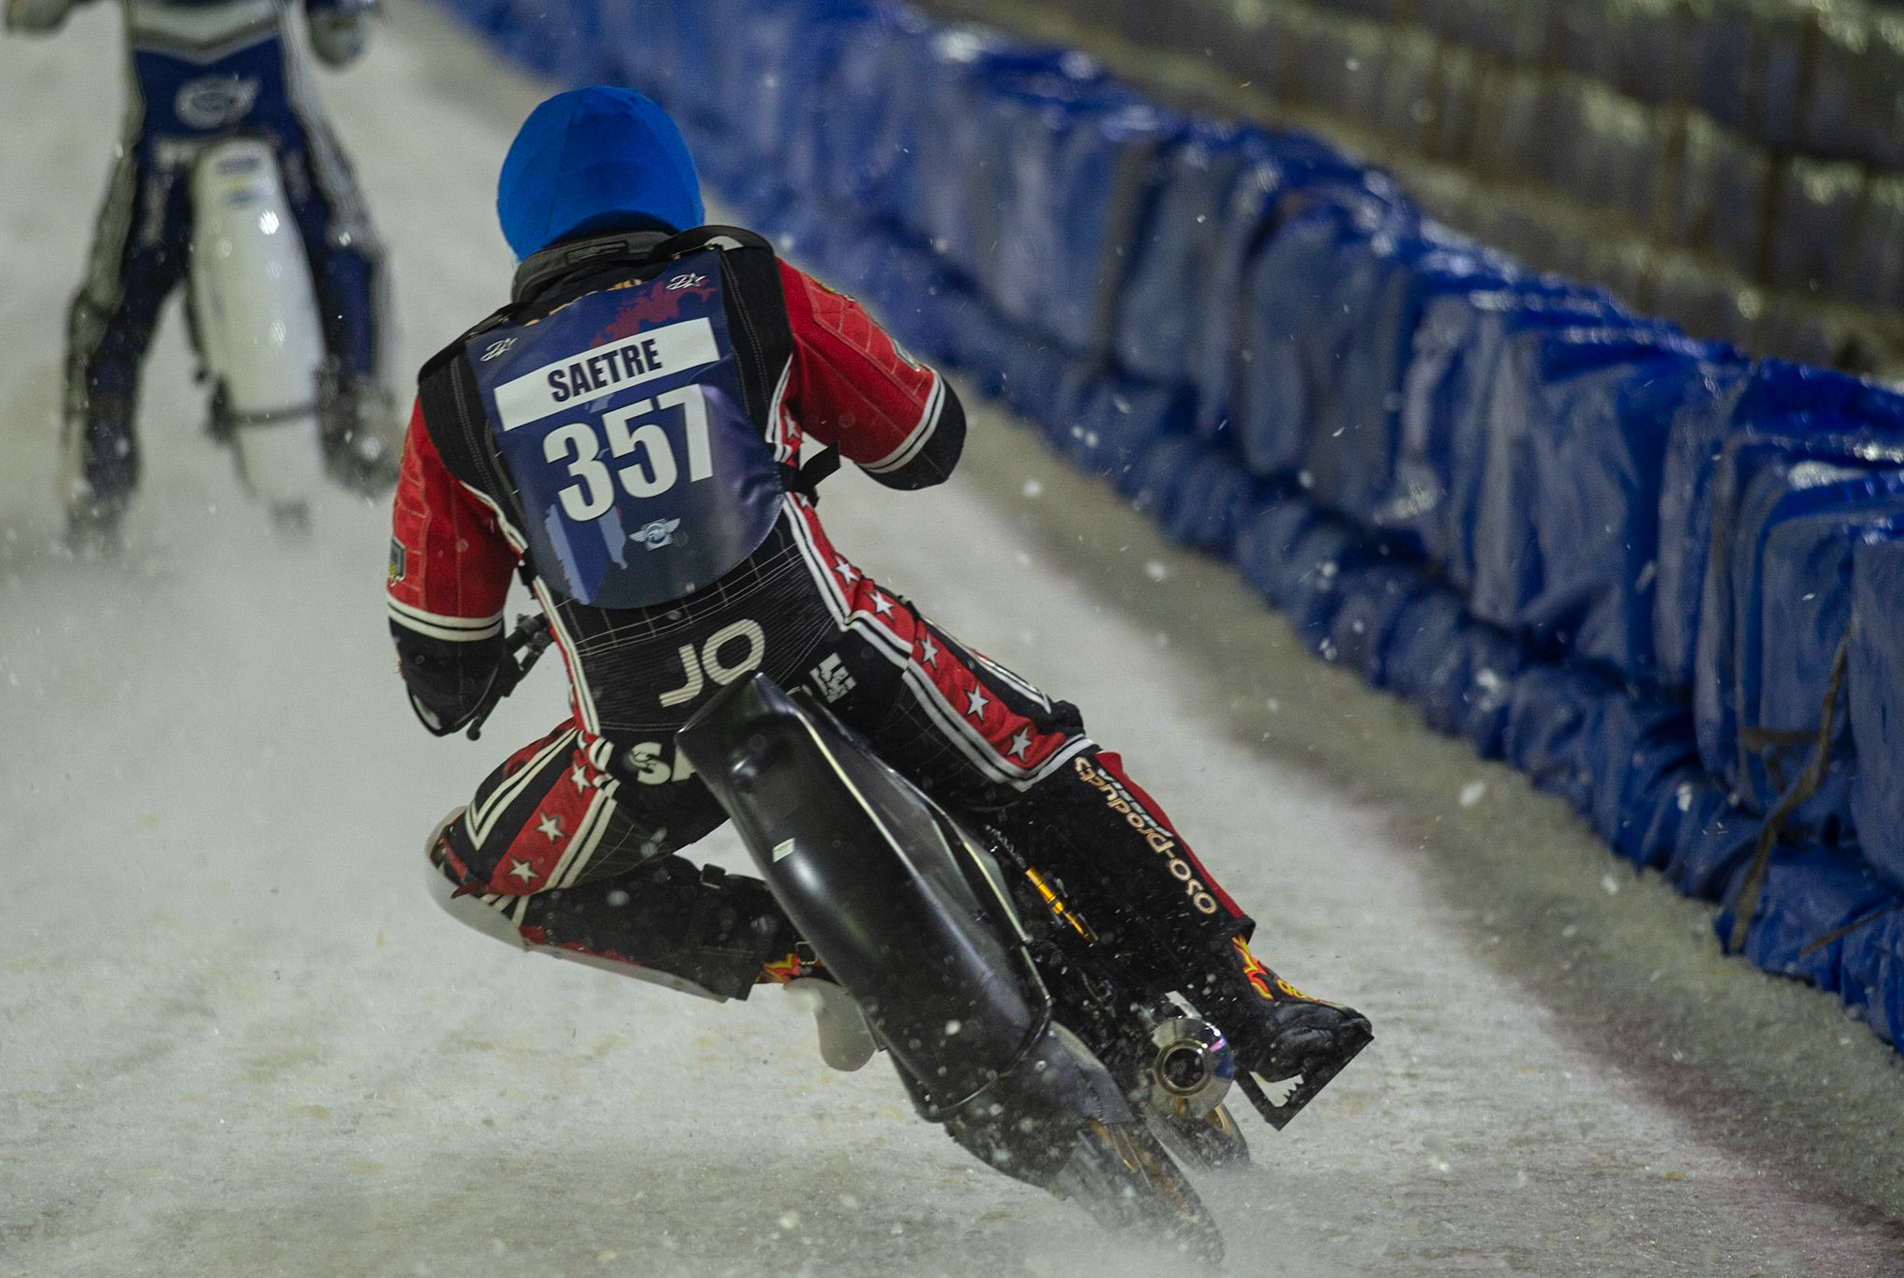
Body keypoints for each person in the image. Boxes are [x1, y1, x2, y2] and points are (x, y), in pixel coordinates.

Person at [389, 86, 1370, 1097]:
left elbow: (441, 677)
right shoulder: (742, 286)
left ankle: (807, 950)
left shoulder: (455, 396)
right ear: (672, 193)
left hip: (646, 748)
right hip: (832, 657)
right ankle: (1250, 1000)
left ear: (518, 223)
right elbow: (921, 439)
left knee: (466, 875)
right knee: (1033, 762)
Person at [4, 0, 399, 545]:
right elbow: (339, 44)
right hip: (275, 130)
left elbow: (31, 17)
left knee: (111, 311)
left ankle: (97, 485)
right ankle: (360, 408)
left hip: (164, 152)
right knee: (345, 244)